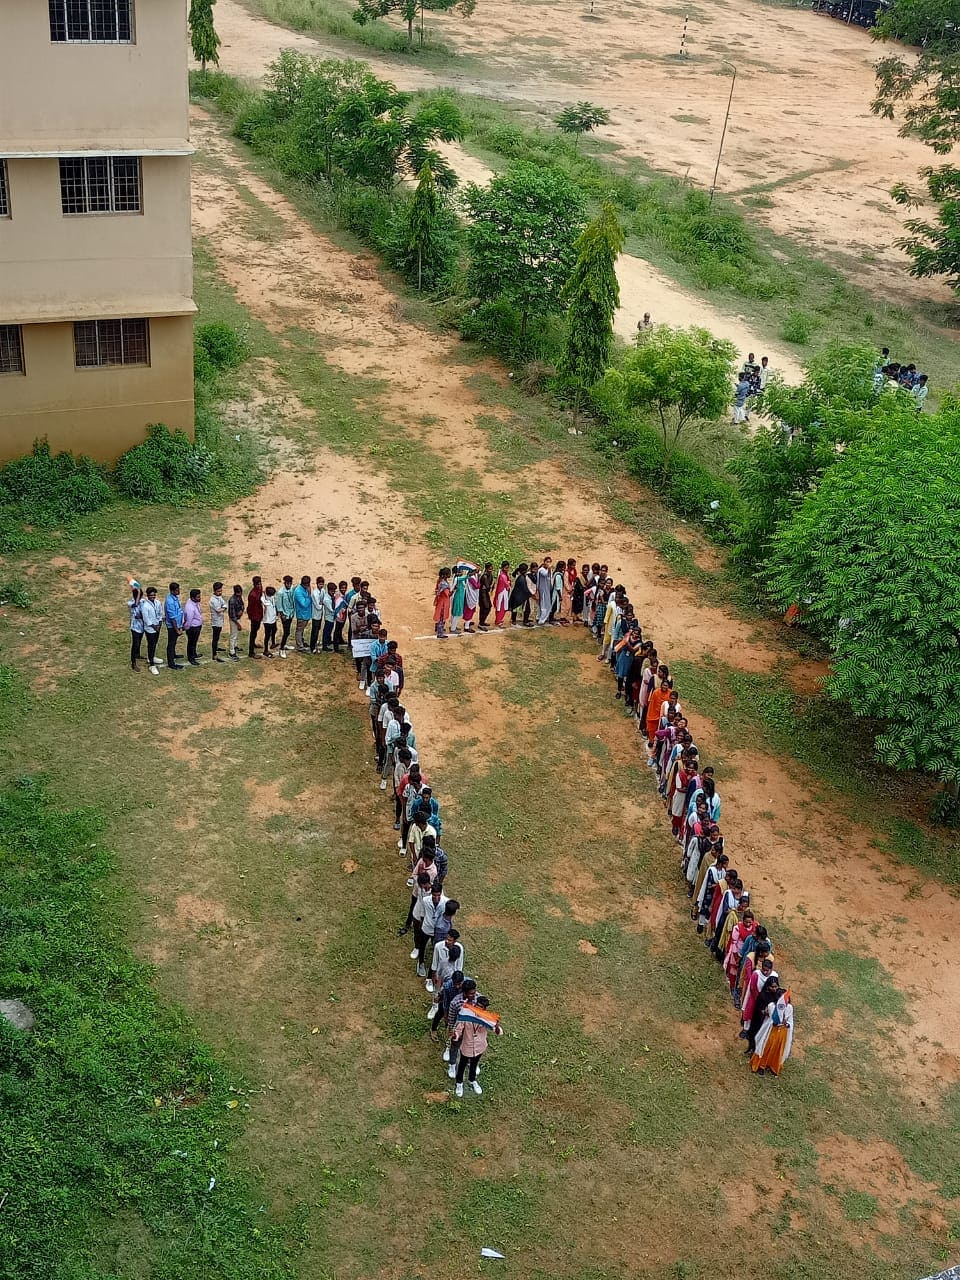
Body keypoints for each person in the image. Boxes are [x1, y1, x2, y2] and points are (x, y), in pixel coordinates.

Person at [451, 993, 502, 1097]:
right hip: (467, 1046)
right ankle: (459, 1083)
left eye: (480, 1008)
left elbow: (498, 1032)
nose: (477, 1009)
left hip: (480, 1046)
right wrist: (455, 1036)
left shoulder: (486, 1018)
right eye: (477, 1006)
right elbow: (459, 1029)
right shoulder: (467, 1014)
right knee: (462, 1066)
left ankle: (472, 1080)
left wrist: (496, 1026)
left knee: (474, 1065)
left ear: (484, 1009)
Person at [751, 989, 794, 1075]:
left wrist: (787, 1024)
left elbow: (790, 1021)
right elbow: (772, 1019)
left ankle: (774, 1066)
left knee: (778, 1049)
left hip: (783, 1032)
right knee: (767, 1047)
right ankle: (761, 1066)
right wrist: (779, 1020)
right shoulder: (772, 1006)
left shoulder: (789, 1008)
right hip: (771, 1031)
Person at [141, 586, 164, 675]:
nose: (153, 597)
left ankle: (152, 657)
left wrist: (159, 623)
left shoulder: (157, 603)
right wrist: (153, 626)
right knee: (151, 645)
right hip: (150, 629)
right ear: (147, 596)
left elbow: (159, 613)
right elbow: (146, 619)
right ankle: (151, 665)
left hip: (157, 627)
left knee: (155, 643)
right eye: (151, 595)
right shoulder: (145, 606)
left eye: (154, 595)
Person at [164, 581, 184, 672]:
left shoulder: (174, 598)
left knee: (174, 642)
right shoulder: (170, 601)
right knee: (171, 644)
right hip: (173, 626)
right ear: (172, 591)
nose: (178, 591)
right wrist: (177, 630)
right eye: (177, 590)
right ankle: (171, 663)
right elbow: (172, 618)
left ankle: (174, 655)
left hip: (177, 624)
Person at [277, 574, 295, 659]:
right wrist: (282, 614)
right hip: (285, 614)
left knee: (287, 631)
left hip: (291, 612)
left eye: (290, 583)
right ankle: (281, 649)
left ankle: (285, 644)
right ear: (284, 583)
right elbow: (279, 604)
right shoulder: (280, 592)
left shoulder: (292, 589)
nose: (289, 585)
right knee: (286, 632)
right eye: (287, 583)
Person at [183, 589, 203, 666]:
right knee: (191, 643)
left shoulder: (194, 602)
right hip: (192, 628)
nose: (199, 598)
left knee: (194, 642)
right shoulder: (190, 608)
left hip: (196, 626)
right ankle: (191, 658)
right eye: (198, 597)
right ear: (193, 598)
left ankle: (194, 654)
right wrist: (187, 628)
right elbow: (189, 620)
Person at [127, 583, 144, 672]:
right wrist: (137, 593)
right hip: (135, 627)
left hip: (141, 626)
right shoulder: (130, 603)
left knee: (140, 641)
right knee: (135, 644)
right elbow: (135, 604)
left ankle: (137, 654)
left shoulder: (143, 601)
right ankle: (133, 662)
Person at [293, 575, 312, 653]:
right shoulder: (298, 592)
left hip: (306, 614)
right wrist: (309, 596)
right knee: (299, 630)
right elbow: (304, 604)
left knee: (302, 630)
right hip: (302, 614)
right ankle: (299, 646)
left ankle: (301, 642)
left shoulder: (304, 589)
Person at [210, 581, 227, 663]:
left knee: (217, 637)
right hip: (216, 622)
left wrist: (223, 607)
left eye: (221, 591)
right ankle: (214, 655)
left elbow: (224, 604)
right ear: (214, 591)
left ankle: (216, 648)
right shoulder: (213, 600)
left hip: (219, 620)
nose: (220, 592)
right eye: (218, 591)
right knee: (215, 638)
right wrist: (224, 608)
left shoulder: (219, 597)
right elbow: (218, 610)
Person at [247, 576, 264, 659]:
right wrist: (251, 616)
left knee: (256, 630)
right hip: (254, 616)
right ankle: (251, 652)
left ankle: (253, 644)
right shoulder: (252, 595)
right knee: (253, 633)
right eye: (258, 584)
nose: (260, 585)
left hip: (259, 614)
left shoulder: (260, 589)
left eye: (260, 583)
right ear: (254, 584)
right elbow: (250, 607)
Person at [227, 584, 245, 661]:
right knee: (233, 635)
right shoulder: (232, 600)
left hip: (238, 618)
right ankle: (231, 652)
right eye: (239, 593)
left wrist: (241, 610)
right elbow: (232, 616)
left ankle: (235, 646)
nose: (240, 594)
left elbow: (242, 605)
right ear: (236, 592)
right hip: (234, 620)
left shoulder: (239, 597)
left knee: (236, 634)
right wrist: (238, 624)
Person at [434, 568, 452, 640]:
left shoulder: (440, 581)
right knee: (442, 617)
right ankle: (440, 633)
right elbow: (448, 594)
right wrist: (453, 590)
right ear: (445, 575)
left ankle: (437, 627)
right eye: (448, 574)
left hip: (440, 601)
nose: (450, 575)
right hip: (443, 603)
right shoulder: (444, 584)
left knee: (440, 616)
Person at [309, 575, 325, 655]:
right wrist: (323, 604)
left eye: (322, 584)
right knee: (314, 631)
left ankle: (315, 644)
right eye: (320, 584)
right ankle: (312, 647)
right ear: (317, 584)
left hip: (320, 614)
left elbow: (323, 600)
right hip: (315, 615)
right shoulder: (315, 594)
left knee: (318, 629)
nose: (321, 585)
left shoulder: (322, 591)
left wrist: (322, 603)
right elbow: (318, 606)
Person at [462, 566, 480, 634]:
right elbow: (477, 586)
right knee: (469, 610)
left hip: (472, 595)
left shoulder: (473, 576)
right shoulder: (471, 578)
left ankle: (468, 622)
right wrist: (479, 579)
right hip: (470, 596)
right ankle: (466, 627)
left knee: (471, 610)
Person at [262, 585, 279, 658]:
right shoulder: (264, 601)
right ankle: (265, 650)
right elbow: (264, 601)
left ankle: (273, 643)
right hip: (267, 621)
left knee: (275, 630)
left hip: (273, 619)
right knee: (267, 635)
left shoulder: (271, 598)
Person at [494, 562, 511, 628]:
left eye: (507, 568)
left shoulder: (504, 574)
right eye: (506, 568)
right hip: (502, 593)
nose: (507, 569)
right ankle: (498, 620)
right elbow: (507, 584)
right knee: (501, 607)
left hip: (504, 592)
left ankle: (499, 620)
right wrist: (509, 583)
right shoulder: (502, 575)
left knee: (502, 607)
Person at [478, 563, 494, 631]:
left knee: (487, 607)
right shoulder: (484, 576)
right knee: (485, 607)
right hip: (482, 593)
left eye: (491, 569)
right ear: (486, 569)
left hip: (485, 593)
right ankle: (481, 623)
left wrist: (490, 587)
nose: (491, 570)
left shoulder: (490, 575)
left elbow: (488, 586)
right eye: (489, 569)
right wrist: (491, 587)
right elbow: (488, 587)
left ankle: (482, 622)